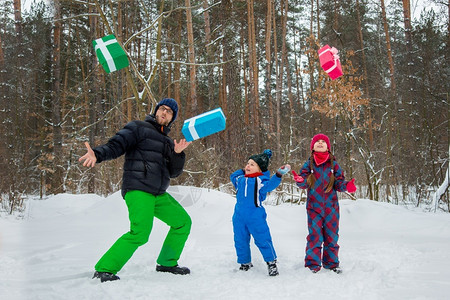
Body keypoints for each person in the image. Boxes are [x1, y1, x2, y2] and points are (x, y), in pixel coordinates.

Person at [79, 98, 192, 282]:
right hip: (139, 188)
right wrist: (97, 154)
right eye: (162, 109)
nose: (164, 113)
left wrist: (177, 153)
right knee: (140, 232)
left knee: (182, 222)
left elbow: (174, 173)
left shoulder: (168, 142)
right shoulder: (138, 128)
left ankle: (167, 263)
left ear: (172, 118)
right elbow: (116, 145)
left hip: (158, 193)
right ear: (156, 111)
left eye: (169, 112)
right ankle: (105, 268)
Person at [292, 134, 356, 274]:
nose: (320, 143)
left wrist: (347, 186)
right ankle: (312, 265)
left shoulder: (334, 164)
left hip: (331, 208)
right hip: (314, 207)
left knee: (332, 236)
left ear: (328, 146)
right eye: (317, 142)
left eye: (323, 142)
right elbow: (303, 181)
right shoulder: (309, 163)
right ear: (312, 147)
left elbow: (339, 183)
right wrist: (299, 180)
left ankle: (331, 263)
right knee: (315, 236)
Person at [230, 149, 291, 276]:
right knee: (240, 240)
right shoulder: (240, 180)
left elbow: (271, 184)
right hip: (239, 217)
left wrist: (279, 174)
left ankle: (271, 262)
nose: (248, 166)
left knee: (263, 239)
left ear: (259, 169)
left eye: (252, 164)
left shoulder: (260, 181)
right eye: (247, 163)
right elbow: (233, 176)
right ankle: (245, 262)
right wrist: (244, 170)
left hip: (255, 217)